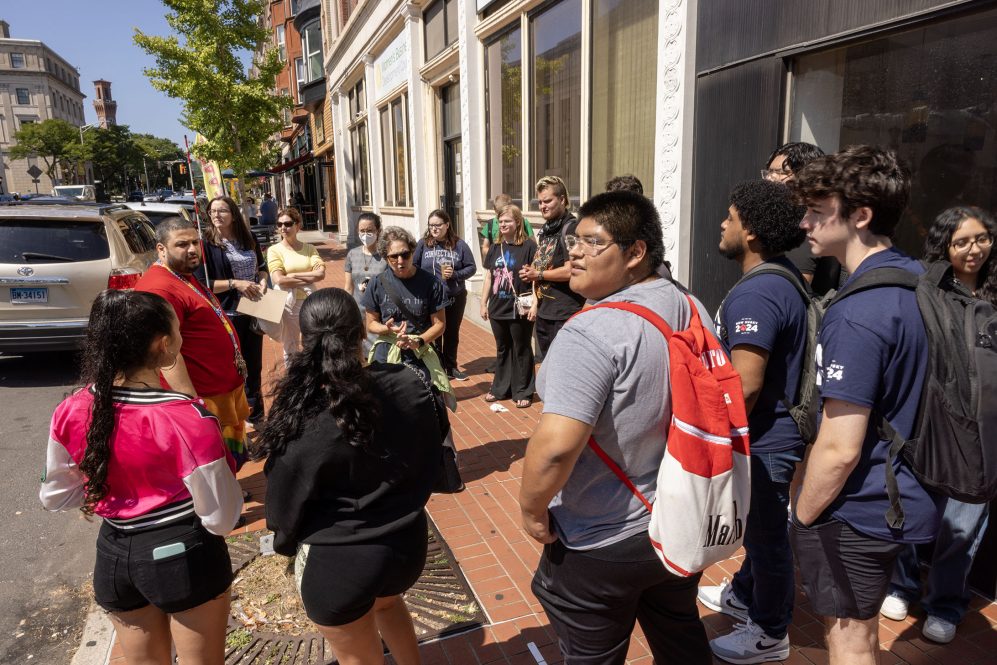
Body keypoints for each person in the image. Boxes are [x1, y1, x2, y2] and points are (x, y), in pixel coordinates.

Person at [519, 190, 712, 665]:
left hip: (601, 537)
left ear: (636, 253)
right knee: (678, 630)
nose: (575, 252)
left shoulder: (589, 333)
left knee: (592, 652)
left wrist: (530, 509)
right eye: (575, 241)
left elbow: (555, 451)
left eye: (592, 242)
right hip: (679, 516)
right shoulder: (690, 306)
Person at [791, 146, 943, 665]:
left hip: (862, 506)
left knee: (849, 638)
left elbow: (838, 448)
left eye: (817, 209)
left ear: (860, 215)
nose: (805, 221)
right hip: (910, 489)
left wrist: (802, 515)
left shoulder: (858, 313)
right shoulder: (918, 279)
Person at [40, 289, 243, 665]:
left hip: (114, 554)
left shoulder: (70, 409)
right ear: (163, 345)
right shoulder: (185, 418)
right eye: (178, 332)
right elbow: (222, 517)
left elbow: (55, 496)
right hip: (183, 554)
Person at [262, 288, 444, 665]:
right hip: (406, 546)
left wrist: (284, 542)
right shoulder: (410, 382)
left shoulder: (303, 414)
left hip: (341, 563)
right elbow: (433, 446)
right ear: (362, 332)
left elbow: (283, 500)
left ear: (305, 339)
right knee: (389, 606)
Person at [696, 180, 807, 663]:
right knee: (764, 534)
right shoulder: (784, 276)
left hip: (765, 442)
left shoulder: (757, 294)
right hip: (776, 436)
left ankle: (769, 632)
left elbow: (744, 385)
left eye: (731, 217)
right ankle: (747, 596)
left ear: (753, 232)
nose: (723, 223)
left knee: (766, 540)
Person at [881, 205, 996, 644]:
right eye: (962, 241)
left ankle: (946, 602)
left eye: (982, 238)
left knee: (963, 526)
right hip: (929, 422)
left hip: (984, 432)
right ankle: (901, 584)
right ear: (944, 245)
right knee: (913, 509)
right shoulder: (926, 290)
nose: (974, 249)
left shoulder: (994, 293)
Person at [135, 217, 252, 468]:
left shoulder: (183, 275)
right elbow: (165, 354)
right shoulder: (159, 288)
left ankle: (227, 490)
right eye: (182, 244)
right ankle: (219, 501)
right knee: (208, 463)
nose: (192, 249)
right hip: (203, 399)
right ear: (161, 249)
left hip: (222, 391)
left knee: (227, 460)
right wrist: (192, 407)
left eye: (195, 242)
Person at [196, 195, 269, 422]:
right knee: (234, 369)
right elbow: (202, 285)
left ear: (233, 214)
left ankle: (256, 417)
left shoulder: (248, 238)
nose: (217, 215)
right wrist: (235, 283)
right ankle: (234, 420)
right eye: (213, 211)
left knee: (254, 365)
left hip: (254, 310)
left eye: (222, 210)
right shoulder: (205, 244)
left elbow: (263, 268)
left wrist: (263, 281)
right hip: (227, 315)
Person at [361, 227, 453, 404]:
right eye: (393, 257)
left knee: (428, 402)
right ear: (386, 257)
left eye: (405, 254)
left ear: (413, 251)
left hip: (419, 352)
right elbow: (370, 324)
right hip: (387, 351)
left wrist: (417, 341)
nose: (400, 261)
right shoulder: (376, 283)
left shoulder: (431, 283)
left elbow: (440, 324)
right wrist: (385, 328)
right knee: (385, 403)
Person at [765, 142, 846, 297]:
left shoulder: (806, 225)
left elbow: (789, 293)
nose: (771, 179)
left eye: (782, 172)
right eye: (769, 172)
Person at [518, 176, 585, 357]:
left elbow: (571, 269)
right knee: (548, 365)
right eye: (539, 202)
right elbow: (542, 264)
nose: (542, 206)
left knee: (563, 366)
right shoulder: (547, 229)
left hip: (564, 313)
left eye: (547, 201)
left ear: (562, 200)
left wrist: (538, 274)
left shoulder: (570, 228)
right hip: (544, 311)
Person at [480, 203, 538, 408]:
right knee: (503, 349)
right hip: (497, 307)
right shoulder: (495, 248)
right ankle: (500, 388)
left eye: (507, 221)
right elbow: (488, 277)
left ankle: (524, 390)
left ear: (518, 222)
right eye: (500, 221)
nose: (503, 224)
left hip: (520, 307)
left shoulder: (530, 247)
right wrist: (483, 303)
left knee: (521, 349)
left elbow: (536, 280)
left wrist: (535, 305)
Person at [413, 209, 477, 381]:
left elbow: (472, 267)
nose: (434, 228)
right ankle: (437, 367)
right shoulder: (423, 244)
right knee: (434, 333)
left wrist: (455, 274)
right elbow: (413, 266)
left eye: (438, 225)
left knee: (451, 332)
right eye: (431, 225)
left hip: (454, 296)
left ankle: (451, 367)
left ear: (447, 225)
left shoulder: (459, 245)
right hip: (431, 298)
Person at [266, 207, 326, 364]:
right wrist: (309, 278)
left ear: (298, 225)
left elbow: (321, 274)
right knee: (291, 344)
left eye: (287, 223)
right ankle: (294, 381)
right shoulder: (274, 250)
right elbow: (279, 280)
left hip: (311, 302)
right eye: (279, 224)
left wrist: (293, 276)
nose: (283, 228)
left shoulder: (309, 248)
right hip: (288, 304)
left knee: (313, 341)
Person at [344, 212, 387, 352]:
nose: (366, 234)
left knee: (378, 352)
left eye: (370, 231)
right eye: (362, 231)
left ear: (378, 231)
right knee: (358, 352)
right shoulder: (352, 254)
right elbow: (348, 287)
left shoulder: (386, 256)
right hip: (357, 312)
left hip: (378, 313)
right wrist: (346, 310)